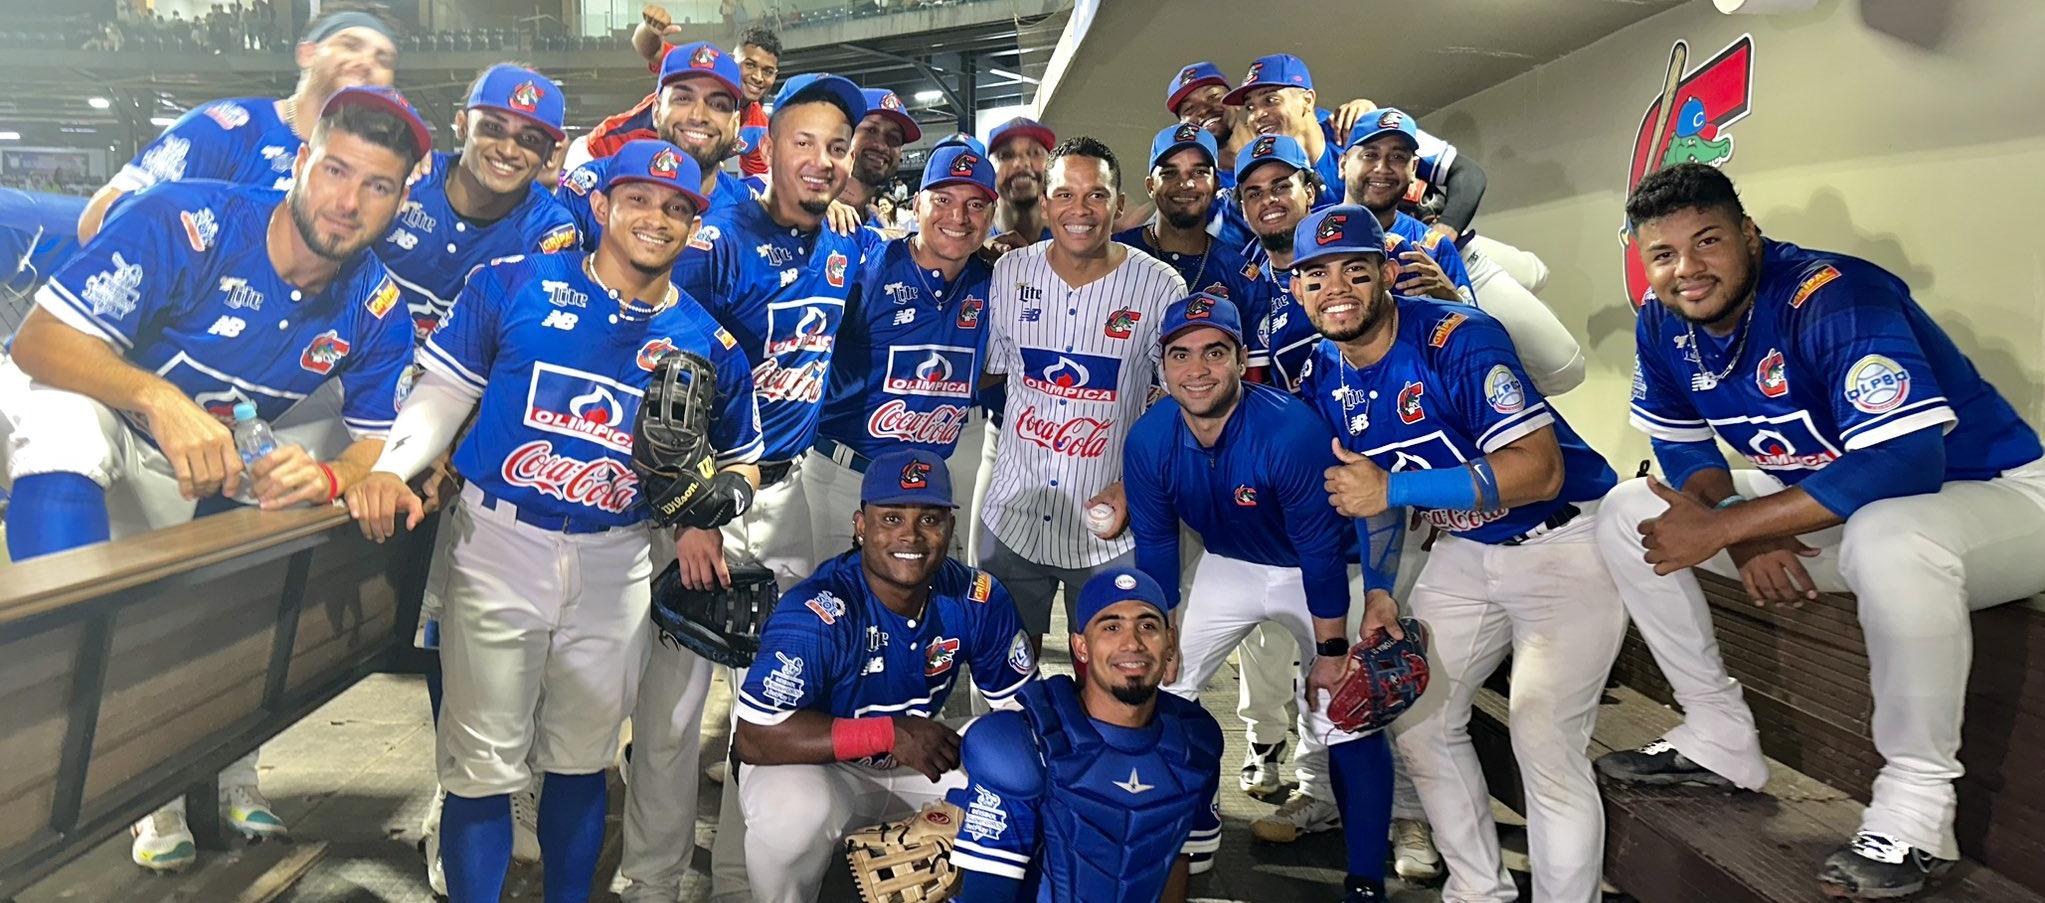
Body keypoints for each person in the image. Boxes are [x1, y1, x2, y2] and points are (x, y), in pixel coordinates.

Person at [0, 86, 429, 871]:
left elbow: (378, 440)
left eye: (377, 186)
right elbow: (38, 342)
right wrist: (159, 399)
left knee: (276, 493)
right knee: (64, 422)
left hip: (209, 452)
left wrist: (330, 476)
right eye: (335, 171)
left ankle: (216, 765)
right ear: (298, 164)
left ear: (401, 203)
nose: (347, 202)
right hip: (106, 409)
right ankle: (50, 707)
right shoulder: (189, 219)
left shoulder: (375, 302)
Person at [1593, 163, 2045, 899]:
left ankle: (1917, 811)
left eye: (1707, 241)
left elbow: (1905, 460)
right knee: (1626, 510)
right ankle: (1716, 735)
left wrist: (1735, 523)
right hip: (1842, 507)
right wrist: (1741, 535)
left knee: (1892, 535)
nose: (1687, 269)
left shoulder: (1833, 294)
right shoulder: (1660, 319)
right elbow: (1682, 447)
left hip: (1996, 498)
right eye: (1663, 254)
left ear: (1748, 234)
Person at [345, 138, 763, 903]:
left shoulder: (708, 339)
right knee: (481, 764)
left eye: (676, 208)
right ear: (600, 205)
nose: (656, 217)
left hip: (617, 552)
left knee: (580, 758)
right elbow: (444, 391)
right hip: (498, 539)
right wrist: (390, 468)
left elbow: (744, 456)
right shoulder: (513, 282)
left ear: (693, 225)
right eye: (637, 199)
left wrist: (721, 500)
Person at [1297, 204, 1625, 903]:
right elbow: (1367, 495)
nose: (1337, 289)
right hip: (1468, 548)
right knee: (1418, 724)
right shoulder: (1325, 370)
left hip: (1564, 539)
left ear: (1387, 274)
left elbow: (1539, 470)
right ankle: (1478, 890)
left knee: (1544, 738)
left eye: (1355, 271)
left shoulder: (1458, 336)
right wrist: (1379, 590)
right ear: (1297, 290)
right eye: (1316, 277)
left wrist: (1394, 487)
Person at [1124, 292, 1401, 901]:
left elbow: (1320, 552)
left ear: (1241, 359)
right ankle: (1181, 830)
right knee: (1159, 681)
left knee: (1345, 706)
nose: (1197, 369)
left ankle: (1364, 877)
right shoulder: (1148, 438)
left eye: (1214, 352)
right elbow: (1156, 544)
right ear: (1162, 366)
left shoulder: (1289, 430)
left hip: (1324, 571)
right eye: (1180, 355)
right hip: (1232, 562)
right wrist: (1161, 632)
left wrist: (1333, 650)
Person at [670, 73, 869, 902]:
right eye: (804, 142)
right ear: (768, 147)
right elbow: (667, 379)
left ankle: (735, 885)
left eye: (836, 147)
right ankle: (650, 883)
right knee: (673, 718)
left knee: (765, 709)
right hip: (705, 503)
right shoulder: (717, 240)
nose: (821, 160)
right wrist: (689, 510)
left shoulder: (847, 244)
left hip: (787, 501)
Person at [733, 447, 1038, 903]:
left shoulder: (976, 596)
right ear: (861, 526)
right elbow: (753, 738)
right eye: (891, 518)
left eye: (929, 519)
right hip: (819, 767)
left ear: (950, 526)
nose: (911, 535)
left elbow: (1024, 711)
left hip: (917, 760)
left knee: (1022, 774)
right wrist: (887, 734)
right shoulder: (818, 610)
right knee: (792, 811)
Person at [979, 137, 1186, 647]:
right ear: (1045, 202)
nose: (1080, 210)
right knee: (1005, 675)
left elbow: (1180, 398)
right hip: (1012, 518)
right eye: (1065, 194)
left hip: (1109, 529)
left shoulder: (1161, 286)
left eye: (1097, 195)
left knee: (1108, 677)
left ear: (1119, 204)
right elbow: (991, 371)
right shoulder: (1009, 271)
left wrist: (1136, 483)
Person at [946, 567, 1223, 902]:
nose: (1132, 643)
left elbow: (1175, 863)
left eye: (1148, 626)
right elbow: (988, 893)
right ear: (1080, 647)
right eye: (1111, 627)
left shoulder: (1195, 744)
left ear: (1170, 643)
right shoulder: (1023, 743)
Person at [805, 144, 996, 559]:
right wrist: (821, 208)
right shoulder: (867, 265)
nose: (958, 217)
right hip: (845, 479)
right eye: (943, 200)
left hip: (928, 488)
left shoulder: (994, 282)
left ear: (991, 215)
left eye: (975, 204)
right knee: (829, 598)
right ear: (917, 204)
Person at [78, 2, 402, 241]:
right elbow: (97, 220)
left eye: (382, 59)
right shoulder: (225, 128)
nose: (366, 63)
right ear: (307, 54)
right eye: (350, 45)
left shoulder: (383, 170)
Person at [1339, 109, 1583, 396]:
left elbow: (1470, 175)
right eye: (1370, 155)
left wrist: (1450, 295)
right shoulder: (1317, 233)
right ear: (1343, 163)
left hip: (1457, 250)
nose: (1382, 167)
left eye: (1397, 157)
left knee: (1540, 288)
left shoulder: (1431, 243)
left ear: (1414, 168)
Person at [379, 64, 578, 340]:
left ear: (551, 155)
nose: (508, 150)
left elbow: (529, 340)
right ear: (462, 125)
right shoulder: (409, 181)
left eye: (530, 139)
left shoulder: (549, 230)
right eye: (493, 128)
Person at [558, 40, 756, 250]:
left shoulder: (748, 213)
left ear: (736, 124)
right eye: (683, 98)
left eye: (718, 105)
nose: (698, 116)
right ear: (656, 111)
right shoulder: (590, 187)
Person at [1110, 124, 1272, 340]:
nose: (1185, 183)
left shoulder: (1242, 277)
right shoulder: (1109, 255)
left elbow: (1253, 360)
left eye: (1199, 172)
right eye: (1169, 173)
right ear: (1150, 186)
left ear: (1216, 184)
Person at [839, 89, 919, 224]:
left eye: (894, 138)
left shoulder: (878, 224)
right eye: (871, 130)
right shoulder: (806, 216)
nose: (882, 146)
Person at [984, 116, 1056, 252]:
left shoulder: (1073, 243)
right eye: (1006, 155)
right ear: (988, 168)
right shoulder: (971, 248)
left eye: (1035, 152)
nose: (1022, 163)